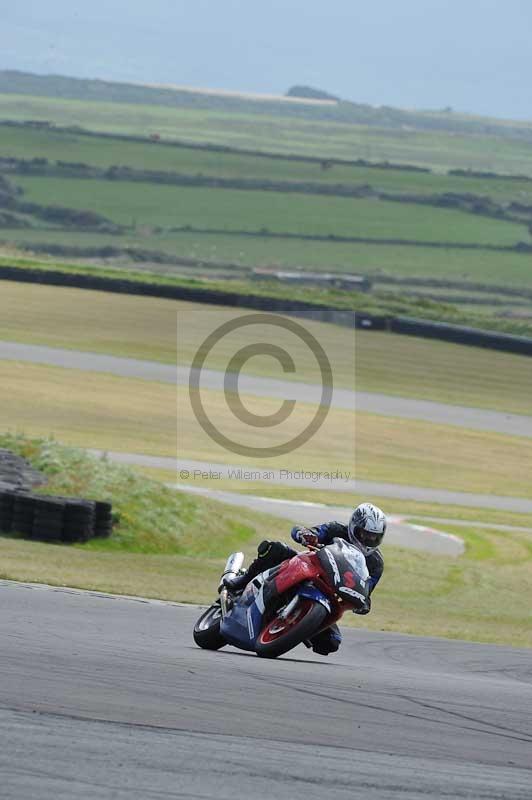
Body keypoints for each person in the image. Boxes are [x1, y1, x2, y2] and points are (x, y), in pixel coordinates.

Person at [223, 502, 386, 655]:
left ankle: (294, 625)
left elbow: (366, 589)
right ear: (353, 526)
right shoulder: (336, 529)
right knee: (275, 548)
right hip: (308, 568)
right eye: (364, 534)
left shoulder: (376, 563)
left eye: (374, 537)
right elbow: (308, 531)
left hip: (331, 595)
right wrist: (306, 534)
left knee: (331, 642)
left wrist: (363, 603)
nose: (368, 539)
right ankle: (243, 580)